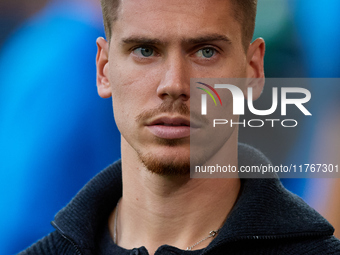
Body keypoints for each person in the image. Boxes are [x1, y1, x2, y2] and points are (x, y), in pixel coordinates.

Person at [19, 0, 340, 254]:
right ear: (103, 69)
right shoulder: (61, 58)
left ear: (254, 69)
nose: (174, 84)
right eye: (145, 50)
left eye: (206, 51)